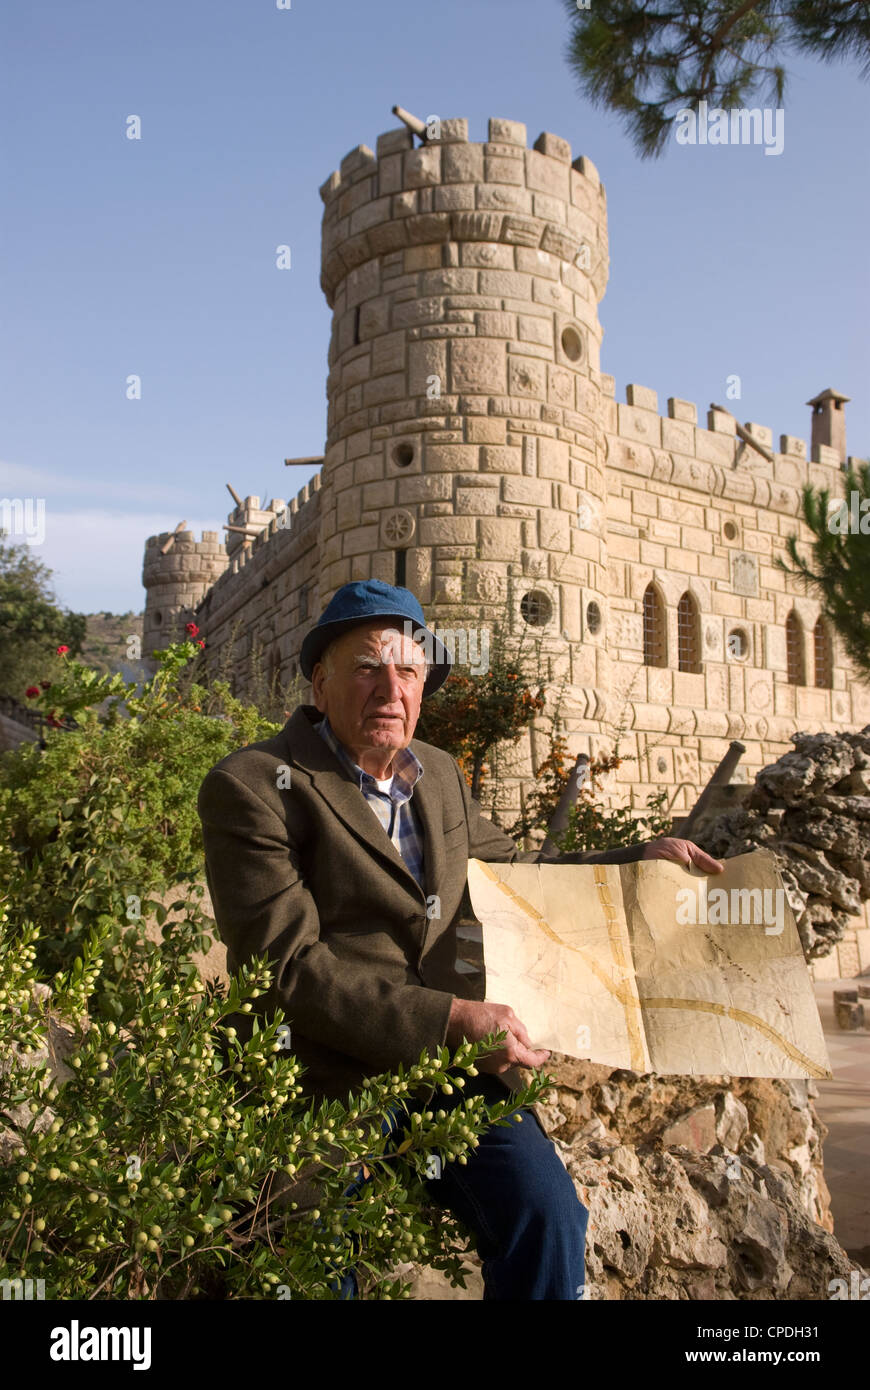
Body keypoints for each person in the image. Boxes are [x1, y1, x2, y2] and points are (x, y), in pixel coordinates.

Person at [196, 579, 724, 1299]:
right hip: (321, 1070)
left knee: (548, 1216)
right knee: (312, 1259)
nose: (391, 687)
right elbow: (285, 969)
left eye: (408, 669)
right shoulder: (253, 786)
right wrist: (451, 1019)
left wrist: (635, 862)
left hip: (451, 1072)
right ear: (319, 685)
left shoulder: (438, 774)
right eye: (366, 667)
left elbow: (513, 877)